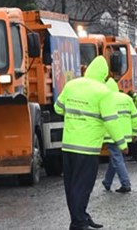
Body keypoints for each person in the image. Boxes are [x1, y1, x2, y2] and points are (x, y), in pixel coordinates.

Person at [54, 56, 126, 230]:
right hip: (87, 148)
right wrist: (122, 143)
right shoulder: (103, 92)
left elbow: (58, 108)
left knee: (71, 186)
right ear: (103, 74)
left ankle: (80, 217)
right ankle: (78, 223)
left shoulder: (72, 85)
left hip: (68, 145)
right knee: (83, 186)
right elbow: (111, 121)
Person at [101, 79, 134, 193]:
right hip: (126, 134)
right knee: (114, 158)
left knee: (117, 158)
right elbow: (135, 116)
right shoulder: (127, 98)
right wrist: (135, 133)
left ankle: (125, 184)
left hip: (112, 135)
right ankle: (107, 182)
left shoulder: (105, 99)